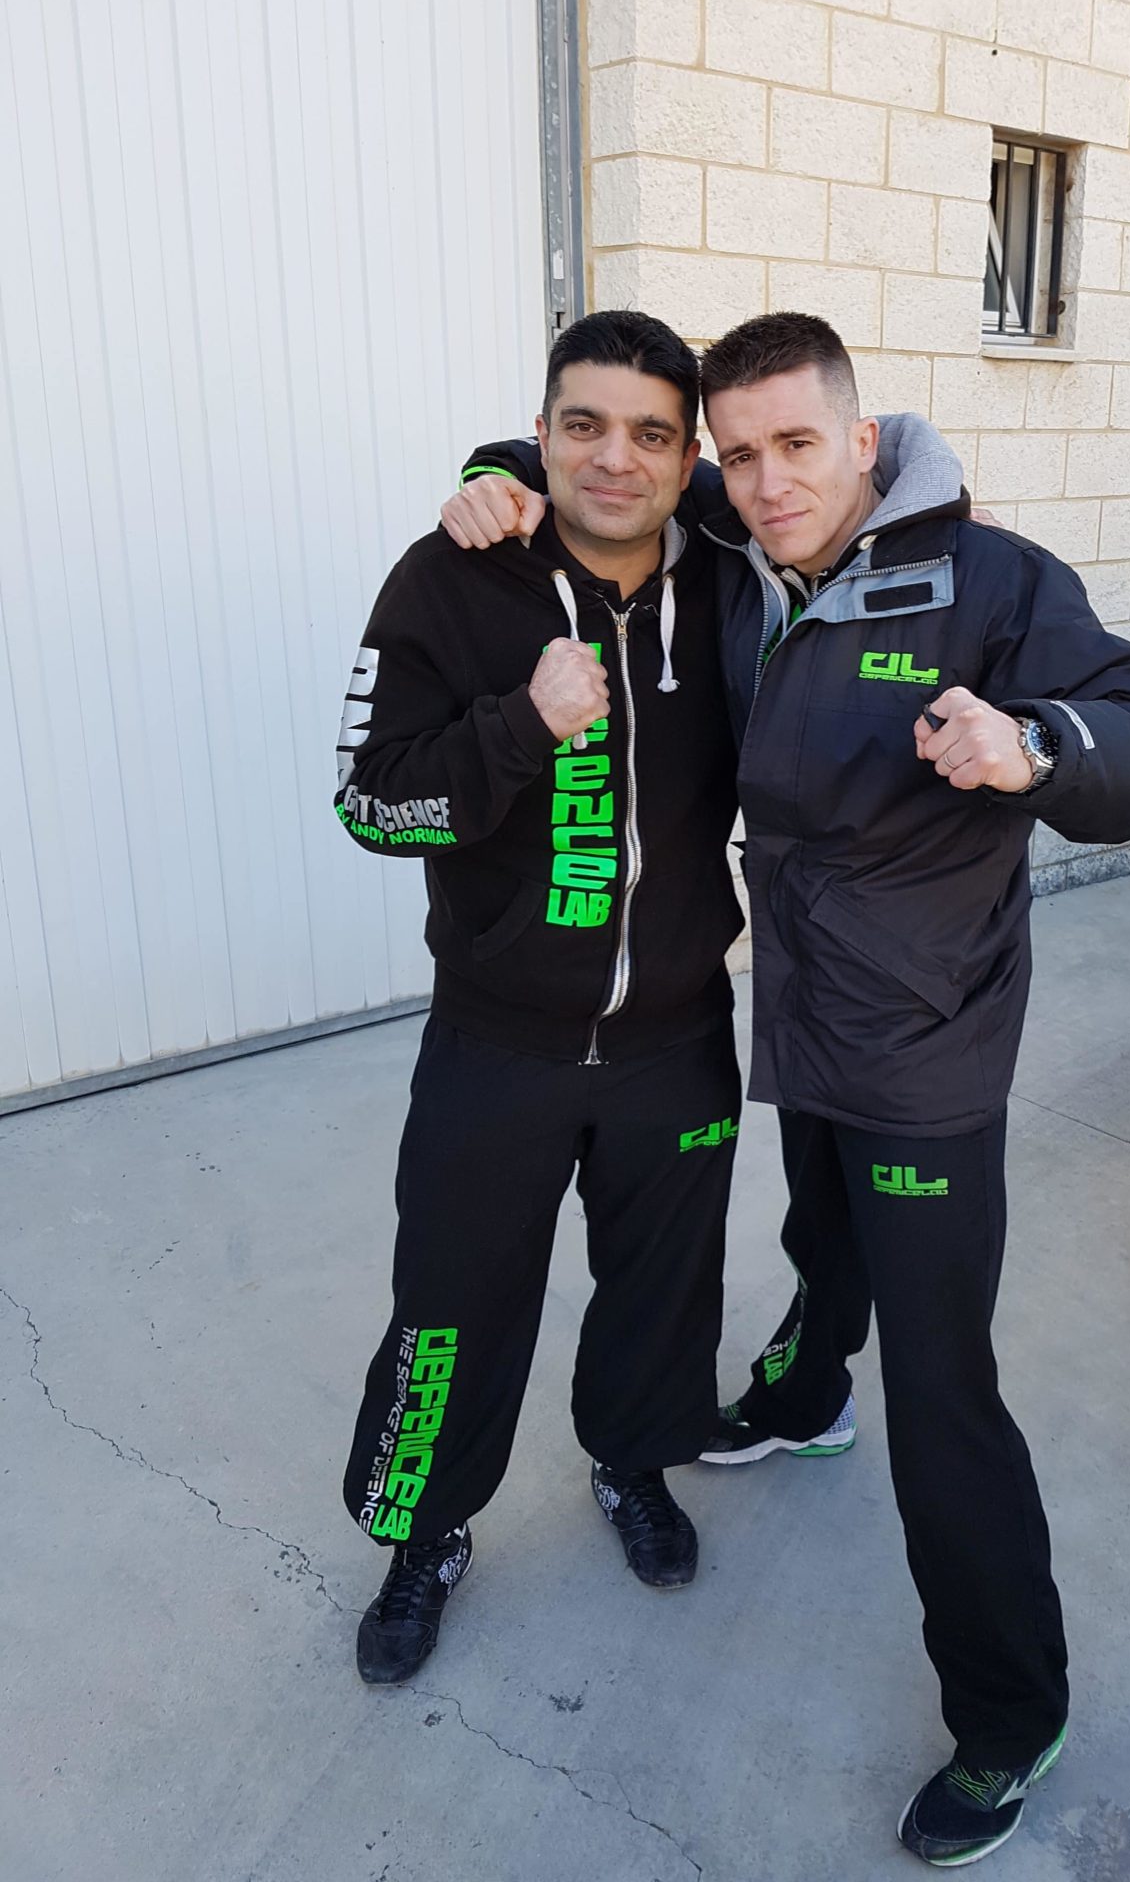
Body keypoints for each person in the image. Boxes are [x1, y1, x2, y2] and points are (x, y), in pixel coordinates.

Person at [440, 311, 1130, 1868]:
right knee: (822, 1234)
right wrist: (495, 472)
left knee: (944, 1384)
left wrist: (1035, 744)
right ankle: (802, 1394)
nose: (767, 481)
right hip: (801, 1014)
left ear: (864, 439)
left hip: (928, 1045)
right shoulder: (737, 542)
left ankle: (1011, 1714)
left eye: (798, 445)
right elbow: (609, 465)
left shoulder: (989, 582)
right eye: (740, 454)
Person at [333, 311, 753, 1687]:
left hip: (676, 1033)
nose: (614, 459)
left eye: (650, 433)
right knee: (451, 1300)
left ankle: (633, 1463)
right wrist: (521, 726)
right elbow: (371, 801)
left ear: (688, 456)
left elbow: (849, 495)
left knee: (664, 1290)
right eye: (584, 426)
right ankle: (426, 1531)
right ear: (542, 432)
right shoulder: (451, 578)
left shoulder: (738, 579)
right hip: (496, 1039)